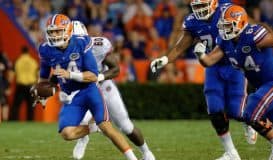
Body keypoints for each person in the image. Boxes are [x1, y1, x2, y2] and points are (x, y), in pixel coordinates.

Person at [150, 0, 257, 159]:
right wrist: (165, 59)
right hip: (212, 65)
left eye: (202, 6)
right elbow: (180, 46)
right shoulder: (192, 21)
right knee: (214, 108)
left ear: (214, 3)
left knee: (236, 110)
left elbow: (248, 26)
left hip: (233, 62)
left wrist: (266, 40)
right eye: (197, 7)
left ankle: (251, 122)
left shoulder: (226, 10)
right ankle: (231, 153)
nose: (200, 10)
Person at [197, 4, 273, 159]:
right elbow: (209, 60)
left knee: (250, 112)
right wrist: (200, 55)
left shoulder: (252, 35)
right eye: (223, 25)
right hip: (264, 87)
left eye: (228, 25)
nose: (224, 29)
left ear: (239, 23)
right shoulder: (226, 43)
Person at [37, 14, 138, 160]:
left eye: (58, 31)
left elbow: (93, 75)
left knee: (108, 128)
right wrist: (41, 92)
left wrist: (70, 75)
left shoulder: (82, 43)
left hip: (89, 90)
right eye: (51, 32)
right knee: (66, 133)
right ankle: (92, 128)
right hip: (71, 95)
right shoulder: (46, 50)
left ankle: (133, 158)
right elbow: (44, 78)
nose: (54, 35)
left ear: (69, 31)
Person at [71, 21, 155, 160]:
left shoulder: (98, 46)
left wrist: (99, 77)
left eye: (79, 40)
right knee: (77, 120)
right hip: (85, 88)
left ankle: (146, 152)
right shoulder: (62, 51)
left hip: (104, 86)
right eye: (73, 40)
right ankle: (83, 138)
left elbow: (116, 69)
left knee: (126, 127)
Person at [10, 46, 38, 121]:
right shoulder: (33, 61)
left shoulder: (17, 61)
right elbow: (37, 74)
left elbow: (12, 74)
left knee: (16, 105)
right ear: (28, 52)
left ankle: (14, 120)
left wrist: (9, 85)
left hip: (21, 85)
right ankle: (30, 120)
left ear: (21, 52)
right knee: (31, 106)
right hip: (31, 85)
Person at [0, 51, 12, 122]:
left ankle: (4, 119)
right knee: (4, 103)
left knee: (4, 103)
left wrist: (7, 87)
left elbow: (9, 67)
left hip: (2, 86)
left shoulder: (3, 58)